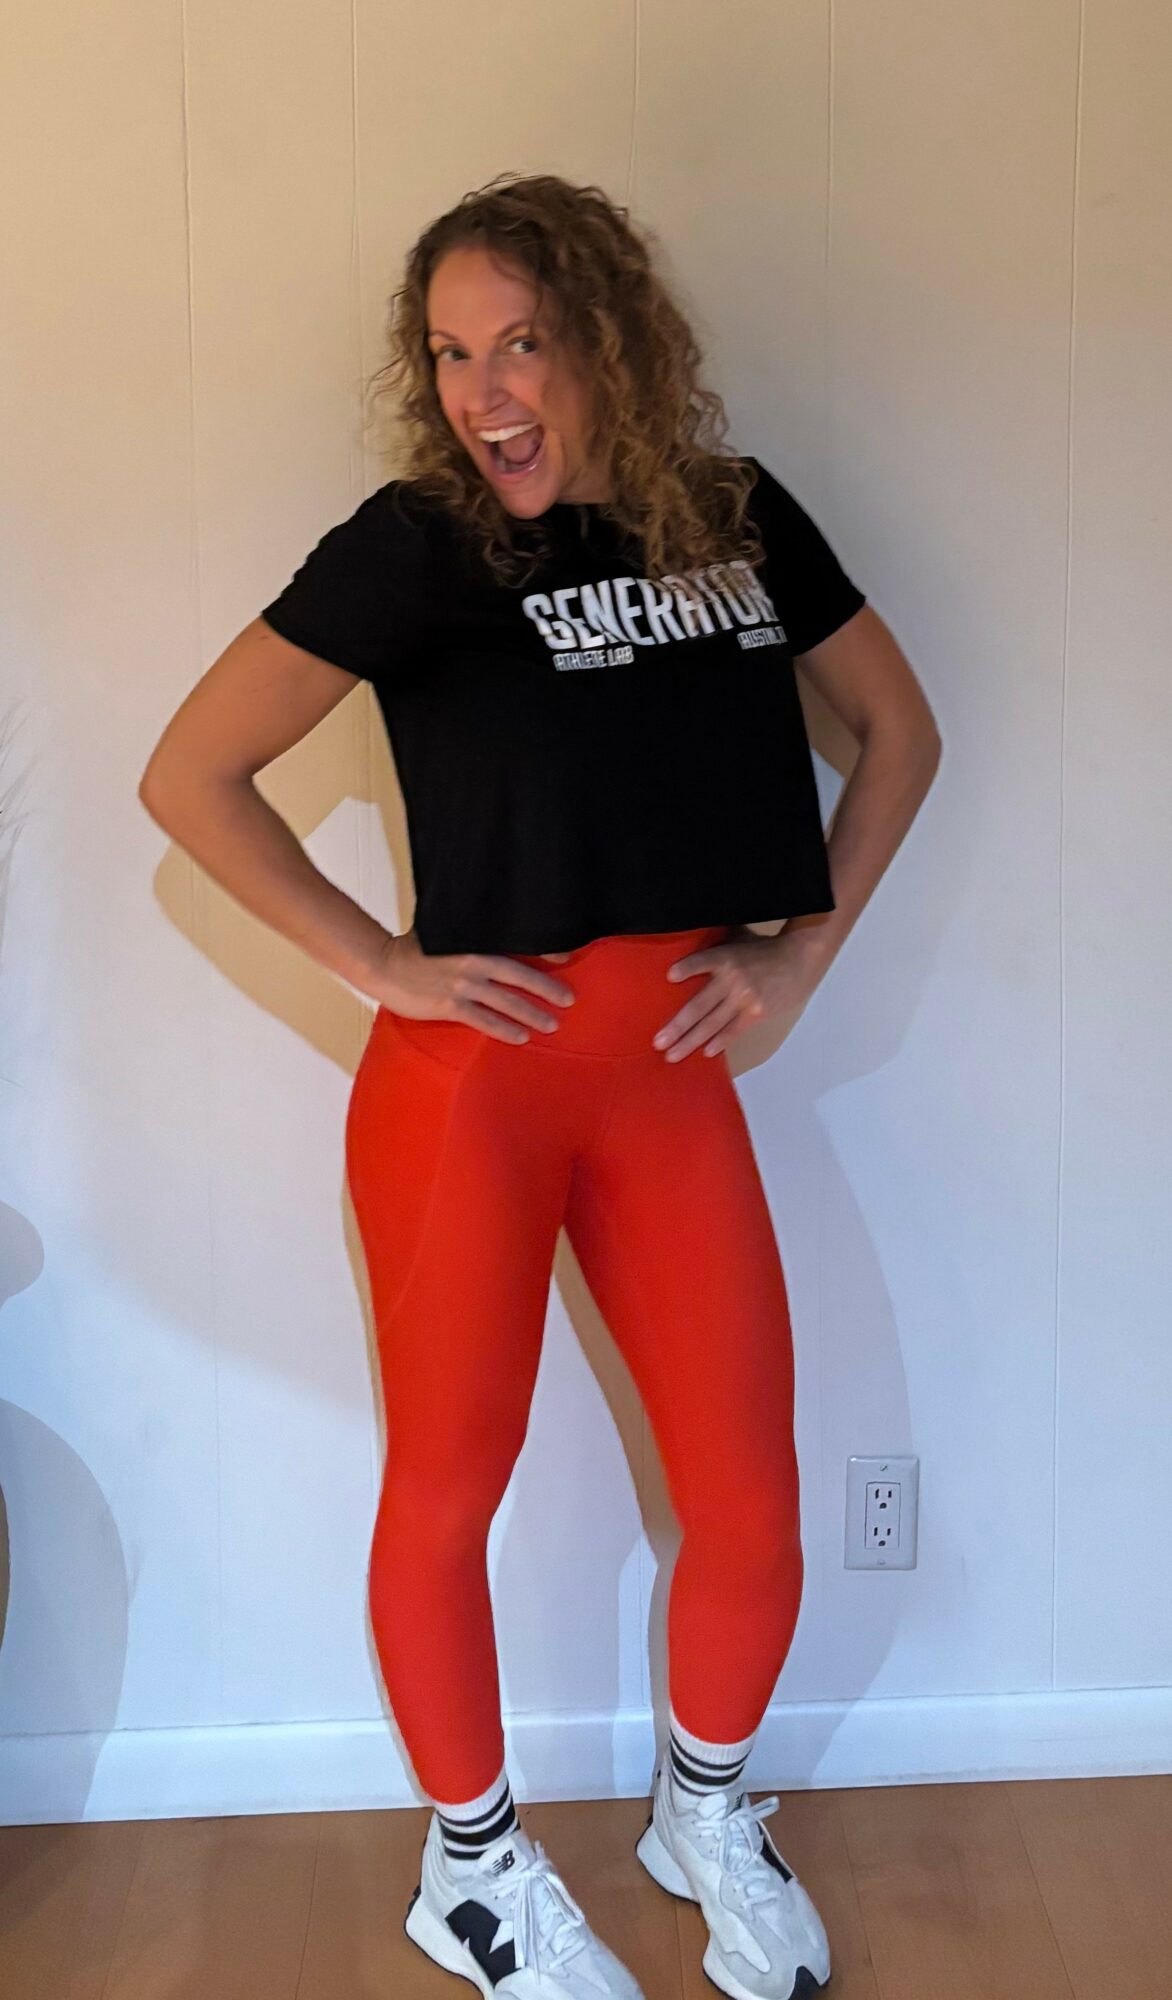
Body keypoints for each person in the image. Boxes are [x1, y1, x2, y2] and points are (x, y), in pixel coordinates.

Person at [139, 170, 940, 2000]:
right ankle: (474, 1871)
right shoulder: (419, 544)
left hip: (669, 1077)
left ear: (609, 345)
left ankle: (703, 1815)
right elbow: (193, 776)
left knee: (749, 1499)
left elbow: (901, 730)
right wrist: (381, 967)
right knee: (448, 1490)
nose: (487, 392)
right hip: (471, 1096)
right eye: (450, 357)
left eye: (524, 346)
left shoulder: (734, 520)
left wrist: (800, 955)